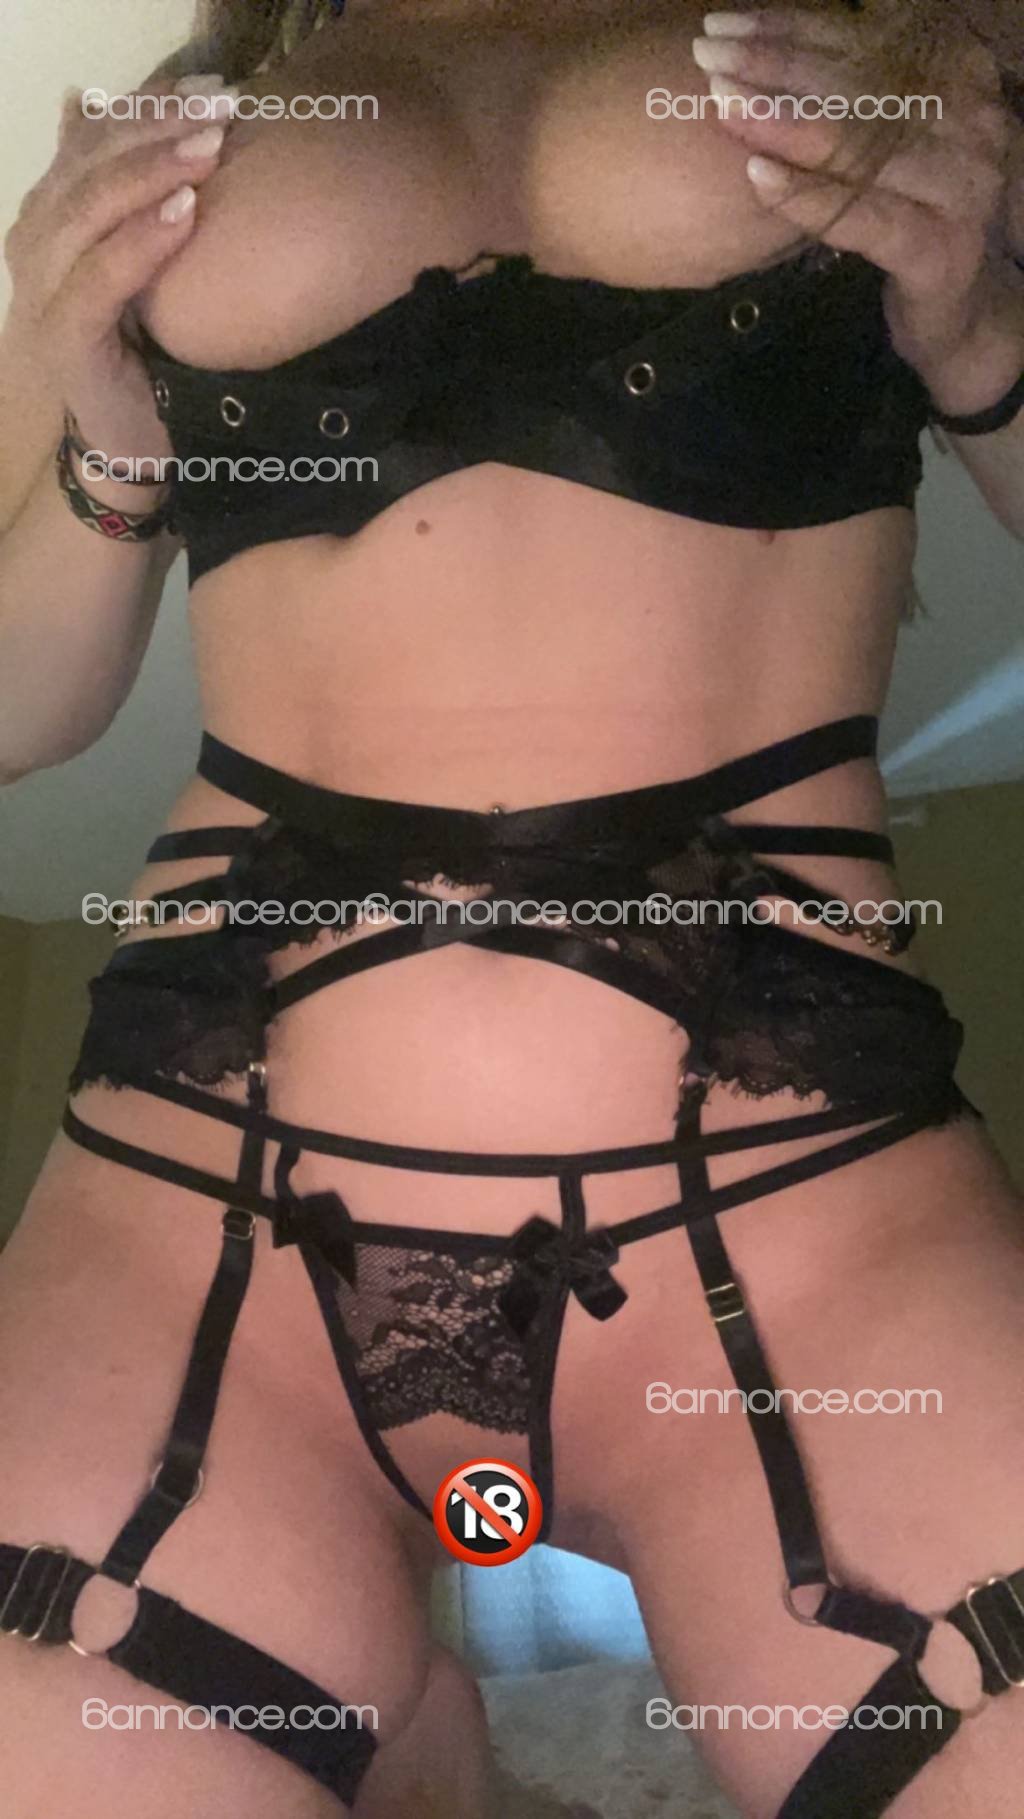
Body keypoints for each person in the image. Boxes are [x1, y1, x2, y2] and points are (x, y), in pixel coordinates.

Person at [1, 2, 1022, 1813]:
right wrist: (105, 443)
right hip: (192, 1225)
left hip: (806, 1234)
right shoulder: (206, 99)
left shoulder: (927, 40)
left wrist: (986, 343)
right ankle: (429, 1747)